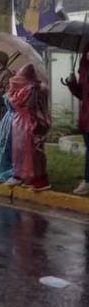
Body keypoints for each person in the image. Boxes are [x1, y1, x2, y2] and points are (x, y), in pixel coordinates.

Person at [4, 64, 51, 191]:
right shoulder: (38, 87)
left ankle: (38, 179)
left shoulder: (32, 89)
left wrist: (12, 89)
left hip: (30, 123)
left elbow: (16, 102)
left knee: (32, 152)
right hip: (30, 122)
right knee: (25, 151)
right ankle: (29, 177)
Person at [66, 46, 89, 195]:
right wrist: (72, 84)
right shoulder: (85, 67)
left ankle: (87, 181)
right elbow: (82, 94)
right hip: (87, 116)